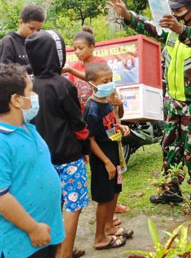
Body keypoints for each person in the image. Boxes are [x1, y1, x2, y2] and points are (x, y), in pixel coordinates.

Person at [108, 0, 191, 204]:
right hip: (173, 103)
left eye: (178, 11)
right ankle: (170, 190)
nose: (173, 14)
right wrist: (127, 15)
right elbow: (148, 26)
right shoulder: (171, 32)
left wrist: (180, 29)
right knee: (170, 148)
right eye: (172, 10)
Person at [0, 64, 65, 258]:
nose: (34, 97)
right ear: (16, 100)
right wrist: (33, 228)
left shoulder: (27, 128)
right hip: (19, 244)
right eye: (30, 91)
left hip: (44, 233)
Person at [26, 30, 91, 258]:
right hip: (69, 156)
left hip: (41, 159)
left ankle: (54, 252)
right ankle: (65, 253)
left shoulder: (28, 87)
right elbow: (78, 124)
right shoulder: (63, 86)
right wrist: (86, 149)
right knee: (74, 204)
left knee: (52, 205)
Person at [61, 26, 131, 215]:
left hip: (105, 121)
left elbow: (94, 80)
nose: (77, 52)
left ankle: (111, 205)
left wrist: (118, 105)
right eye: (74, 48)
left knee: (111, 167)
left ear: (92, 47)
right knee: (95, 164)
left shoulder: (99, 65)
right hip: (86, 119)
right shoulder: (74, 67)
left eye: (80, 48)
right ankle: (102, 205)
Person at [83, 63, 132, 250]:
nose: (109, 84)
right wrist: (106, 162)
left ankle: (110, 227)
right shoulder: (91, 108)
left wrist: (120, 111)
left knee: (115, 191)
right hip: (103, 159)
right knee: (104, 197)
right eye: (105, 81)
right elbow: (90, 139)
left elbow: (115, 121)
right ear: (92, 84)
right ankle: (99, 238)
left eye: (111, 80)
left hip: (114, 154)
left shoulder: (109, 101)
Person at [0, 4, 45, 75]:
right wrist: (33, 67)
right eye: (31, 29)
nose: (35, 33)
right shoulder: (8, 42)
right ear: (21, 22)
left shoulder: (39, 41)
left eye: (38, 30)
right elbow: (5, 73)